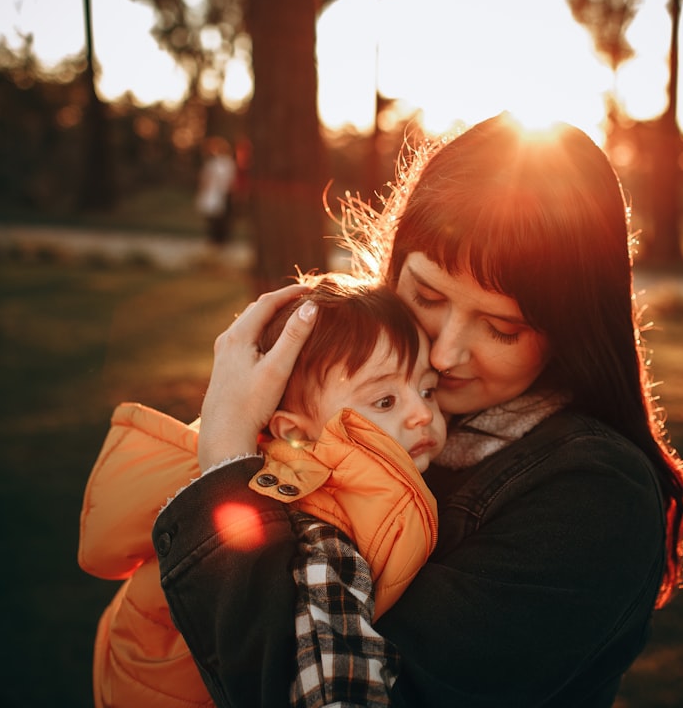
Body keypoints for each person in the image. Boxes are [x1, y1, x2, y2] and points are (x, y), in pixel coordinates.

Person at [152, 112, 683, 707]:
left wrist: (227, 462)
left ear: (569, 331)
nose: (444, 352)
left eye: (500, 327)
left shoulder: (594, 498)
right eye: (429, 296)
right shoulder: (338, 410)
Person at [79, 276, 447, 708]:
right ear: (295, 431)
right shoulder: (321, 528)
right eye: (385, 401)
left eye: (427, 389)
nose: (423, 413)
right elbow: (332, 677)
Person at [196, 136, 238, 245]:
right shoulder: (226, 163)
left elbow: (206, 180)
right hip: (218, 194)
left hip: (219, 194)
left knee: (218, 219)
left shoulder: (220, 163)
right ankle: (218, 240)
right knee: (215, 218)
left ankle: (218, 240)